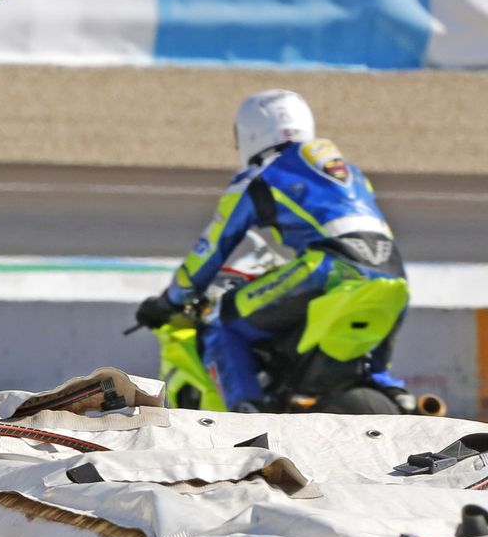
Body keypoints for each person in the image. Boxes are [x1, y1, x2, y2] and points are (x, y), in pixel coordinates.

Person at [134, 89, 412, 412]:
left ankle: (248, 418)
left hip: (329, 269)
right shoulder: (350, 173)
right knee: (372, 367)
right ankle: (394, 391)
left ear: (251, 132)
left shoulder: (262, 175)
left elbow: (212, 249)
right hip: (392, 272)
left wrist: (170, 300)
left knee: (223, 323)